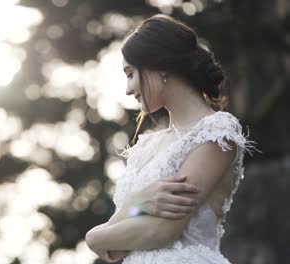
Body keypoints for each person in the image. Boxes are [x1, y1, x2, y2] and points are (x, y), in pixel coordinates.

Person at [84, 14, 260, 263]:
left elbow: (162, 230)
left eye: (131, 73)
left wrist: (94, 238)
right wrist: (136, 203)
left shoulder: (214, 133)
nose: (128, 89)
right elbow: (118, 245)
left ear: (160, 67)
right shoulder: (147, 146)